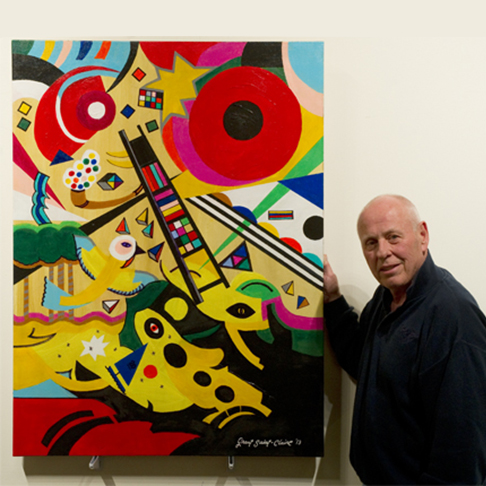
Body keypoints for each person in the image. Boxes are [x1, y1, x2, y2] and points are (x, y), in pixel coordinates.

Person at [324, 194, 486, 485]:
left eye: (393, 237)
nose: (382, 252)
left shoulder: (454, 316)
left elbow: (462, 446)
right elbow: (363, 364)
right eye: (371, 243)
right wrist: (333, 298)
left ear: (422, 235)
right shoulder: (385, 298)